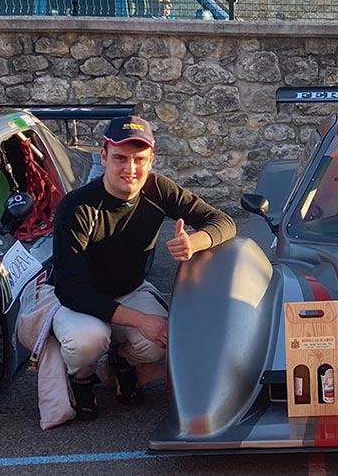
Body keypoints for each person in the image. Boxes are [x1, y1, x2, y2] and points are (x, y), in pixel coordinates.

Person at [45, 115, 235, 421]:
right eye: (120, 158)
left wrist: (195, 242)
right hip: (78, 299)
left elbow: (223, 222)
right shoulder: (76, 207)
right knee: (88, 341)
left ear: (151, 159)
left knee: (161, 340)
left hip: (129, 289)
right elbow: (71, 289)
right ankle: (81, 378)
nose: (130, 169)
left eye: (139, 159)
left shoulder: (159, 189)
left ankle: (121, 363)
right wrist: (140, 320)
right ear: (103, 156)